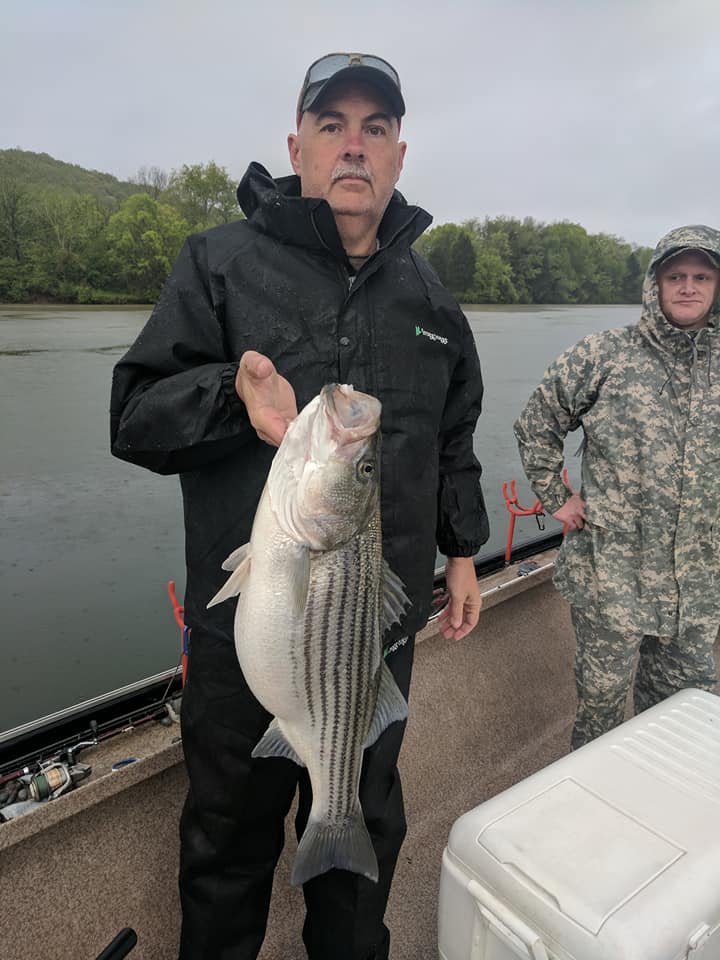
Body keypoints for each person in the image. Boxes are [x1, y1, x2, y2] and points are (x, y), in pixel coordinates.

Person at [110, 52, 489, 960]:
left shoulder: (433, 300)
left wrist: (463, 548)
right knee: (227, 851)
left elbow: (452, 437)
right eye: (332, 126)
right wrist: (228, 397)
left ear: (400, 153)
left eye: (375, 129)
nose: (353, 147)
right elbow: (135, 417)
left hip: (376, 634)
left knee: (360, 859)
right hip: (249, 631)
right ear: (297, 146)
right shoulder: (222, 263)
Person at [514, 224, 720, 750]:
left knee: (687, 717)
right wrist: (558, 499)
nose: (689, 287)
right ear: (655, 283)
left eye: (702, 276)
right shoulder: (604, 354)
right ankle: (590, 818)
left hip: (696, 588)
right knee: (601, 715)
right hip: (612, 582)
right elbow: (537, 424)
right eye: (676, 276)